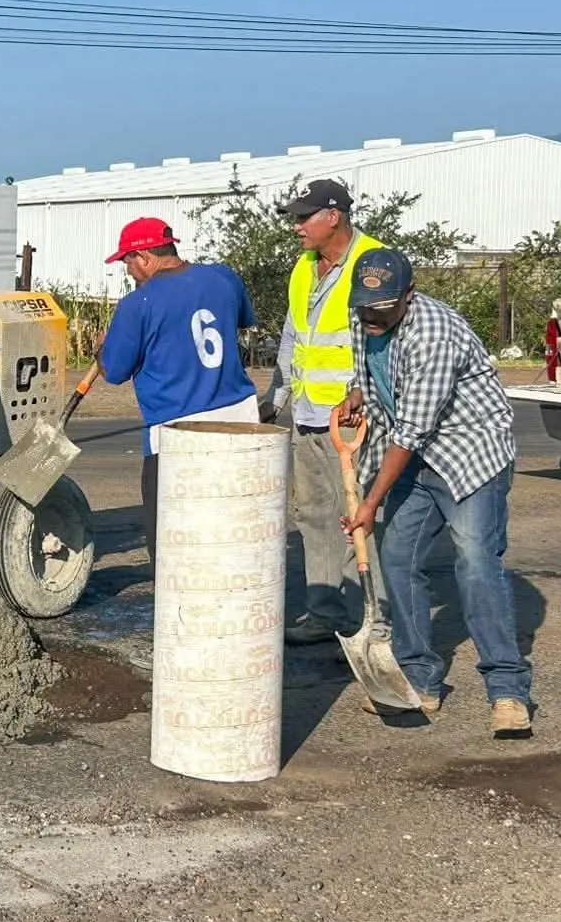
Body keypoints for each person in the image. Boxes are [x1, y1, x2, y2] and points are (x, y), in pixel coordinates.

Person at [339, 248, 532, 737]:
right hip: (414, 458)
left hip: (469, 456)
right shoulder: (365, 313)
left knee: (476, 563)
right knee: (399, 558)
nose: (369, 316)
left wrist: (369, 502)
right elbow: (369, 373)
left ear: (409, 295)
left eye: (381, 308)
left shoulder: (434, 333)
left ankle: (508, 690)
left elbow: (411, 430)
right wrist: (356, 394)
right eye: (363, 306)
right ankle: (419, 678)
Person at [96, 217, 261, 569]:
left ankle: (184, 617)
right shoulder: (223, 277)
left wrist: (102, 349)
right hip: (241, 419)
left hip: (176, 432)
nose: (128, 272)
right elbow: (241, 322)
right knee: (232, 526)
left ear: (143, 257)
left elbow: (114, 372)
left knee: (174, 541)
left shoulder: (137, 304)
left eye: (127, 262)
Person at [264, 178, 385, 646]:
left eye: (303, 217)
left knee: (359, 518)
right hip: (308, 415)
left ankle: (367, 620)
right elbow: (293, 339)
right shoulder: (304, 268)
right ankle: (324, 611)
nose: (296, 227)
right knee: (314, 515)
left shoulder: (372, 263)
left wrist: (364, 395)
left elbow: (387, 340)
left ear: (332, 216)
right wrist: (277, 399)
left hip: (354, 421)